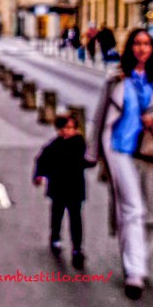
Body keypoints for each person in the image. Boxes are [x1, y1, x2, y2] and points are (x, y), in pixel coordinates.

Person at [85, 28, 153, 300]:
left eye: (146, 44)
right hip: (119, 148)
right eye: (136, 44)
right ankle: (135, 273)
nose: (141, 48)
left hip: (152, 151)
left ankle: (139, 256)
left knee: (152, 213)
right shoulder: (116, 78)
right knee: (133, 209)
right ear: (129, 48)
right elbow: (100, 115)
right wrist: (92, 153)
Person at [34, 113, 92, 270]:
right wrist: (39, 174)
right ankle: (55, 238)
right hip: (58, 187)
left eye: (72, 128)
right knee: (57, 215)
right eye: (65, 128)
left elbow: (87, 161)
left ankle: (77, 248)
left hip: (74, 188)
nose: (68, 131)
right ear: (59, 129)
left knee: (75, 219)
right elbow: (42, 159)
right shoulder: (54, 145)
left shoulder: (80, 144)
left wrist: (90, 162)